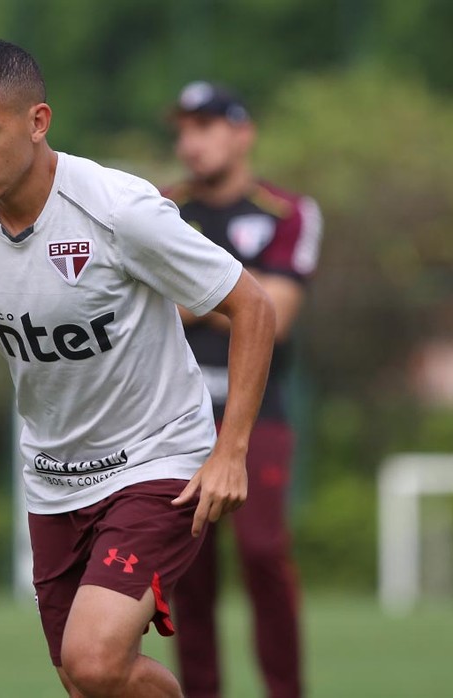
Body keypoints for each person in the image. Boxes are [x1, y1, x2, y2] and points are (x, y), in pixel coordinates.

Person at [0, 41, 276, 698]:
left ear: (37, 122)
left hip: (159, 462)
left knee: (95, 659)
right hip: (54, 478)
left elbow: (253, 307)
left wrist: (230, 450)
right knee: (84, 678)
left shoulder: (119, 209)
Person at [163, 81, 323, 698]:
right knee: (189, 574)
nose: (190, 143)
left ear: (242, 132)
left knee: (262, 552)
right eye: (182, 130)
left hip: (260, 414)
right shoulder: (160, 208)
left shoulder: (287, 213)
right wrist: (236, 295)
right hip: (179, 418)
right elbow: (154, 311)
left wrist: (200, 292)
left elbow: (277, 315)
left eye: (204, 127)